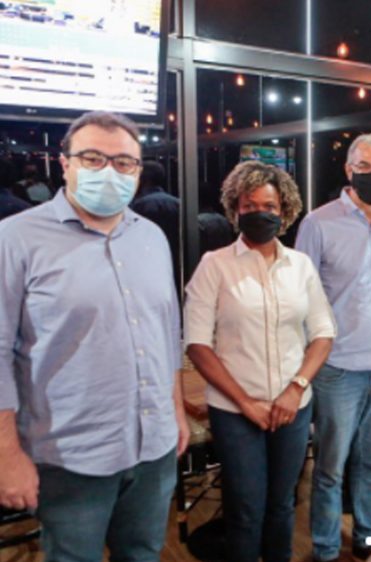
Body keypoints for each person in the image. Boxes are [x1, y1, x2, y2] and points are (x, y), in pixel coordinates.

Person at [0, 111, 189, 561]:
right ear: (65, 164)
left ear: (138, 171)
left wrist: (177, 412)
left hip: (153, 446)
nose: (109, 171)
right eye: (93, 158)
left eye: (124, 162)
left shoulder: (151, 237)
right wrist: (7, 455)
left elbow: (166, 332)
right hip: (71, 458)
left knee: (143, 553)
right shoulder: (15, 238)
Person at [184, 161, 336, 562]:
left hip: (292, 409)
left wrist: (295, 389)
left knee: (282, 503)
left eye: (269, 206)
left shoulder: (300, 266)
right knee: (245, 509)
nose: (259, 213)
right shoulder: (215, 265)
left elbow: (323, 333)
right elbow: (197, 344)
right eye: (249, 205)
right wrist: (245, 402)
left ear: (285, 210)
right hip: (235, 412)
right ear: (235, 209)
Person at [295, 133, 371, 562]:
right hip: (337, 366)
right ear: (348, 169)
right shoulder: (318, 223)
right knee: (330, 467)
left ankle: (367, 537)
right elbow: (302, 297)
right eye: (365, 167)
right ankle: (325, 548)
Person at [130, 161, 180, 287]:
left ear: (143, 179)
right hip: (177, 259)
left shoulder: (139, 205)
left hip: (145, 262)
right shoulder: (178, 203)